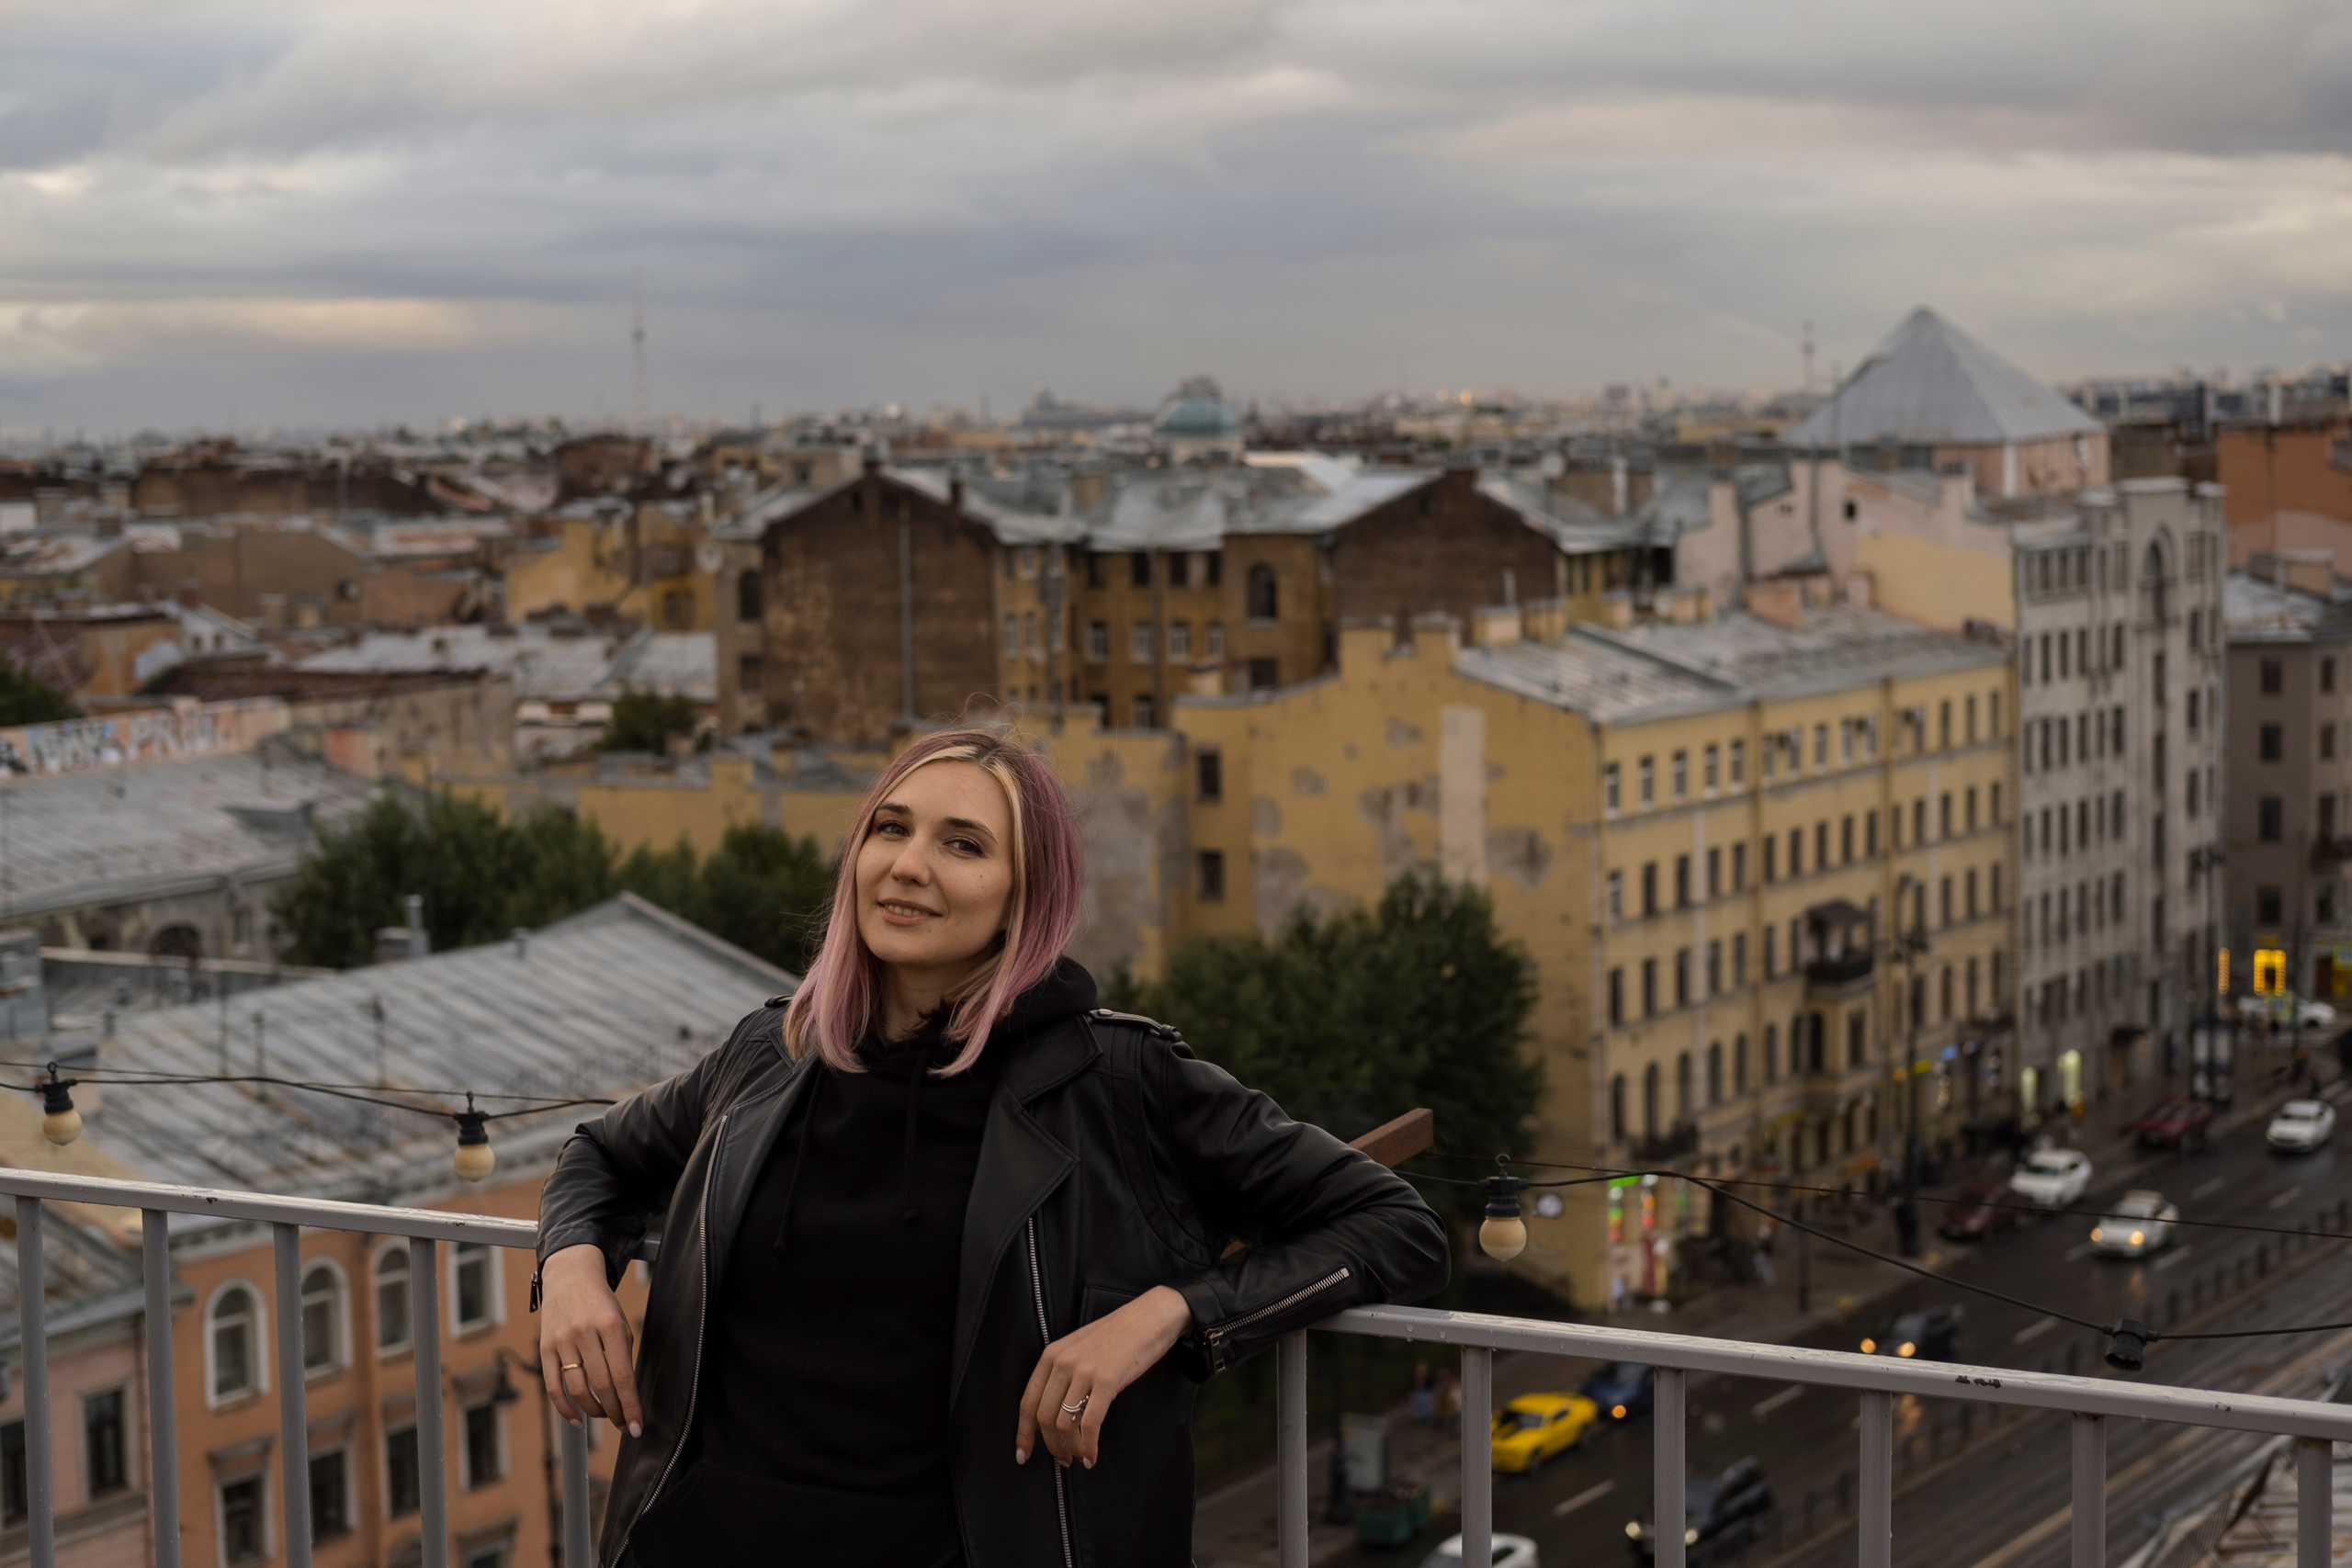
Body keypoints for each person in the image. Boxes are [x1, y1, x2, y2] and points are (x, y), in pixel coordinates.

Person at [533, 728, 1450, 1568]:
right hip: (708, 1542)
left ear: (1026, 897)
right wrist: (573, 1273)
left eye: (963, 844)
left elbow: (1391, 1223)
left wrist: (1171, 1314)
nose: (908, 867)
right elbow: (601, 1159)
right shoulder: (771, 1054)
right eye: (889, 830)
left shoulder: (1116, 1079)